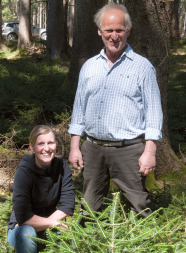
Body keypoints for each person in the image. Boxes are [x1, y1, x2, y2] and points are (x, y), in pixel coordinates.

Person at [68, 3, 163, 217]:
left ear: (128, 31)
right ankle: (90, 245)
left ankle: (144, 246)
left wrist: (150, 152)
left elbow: (154, 113)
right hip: (92, 149)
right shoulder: (89, 66)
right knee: (89, 208)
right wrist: (75, 147)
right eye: (109, 30)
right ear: (99, 31)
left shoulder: (142, 67)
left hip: (129, 150)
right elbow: (79, 108)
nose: (114, 36)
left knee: (140, 206)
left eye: (119, 30)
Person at [8, 125, 75, 253]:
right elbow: (24, 218)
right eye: (41, 144)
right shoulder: (24, 172)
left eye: (50, 143)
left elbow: (68, 205)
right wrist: (52, 223)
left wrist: (49, 224)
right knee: (26, 232)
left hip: (50, 223)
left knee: (73, 237)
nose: (46, 148)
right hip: (21, 229)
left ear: (56, 144)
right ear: (32, 148)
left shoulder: (62, 166)